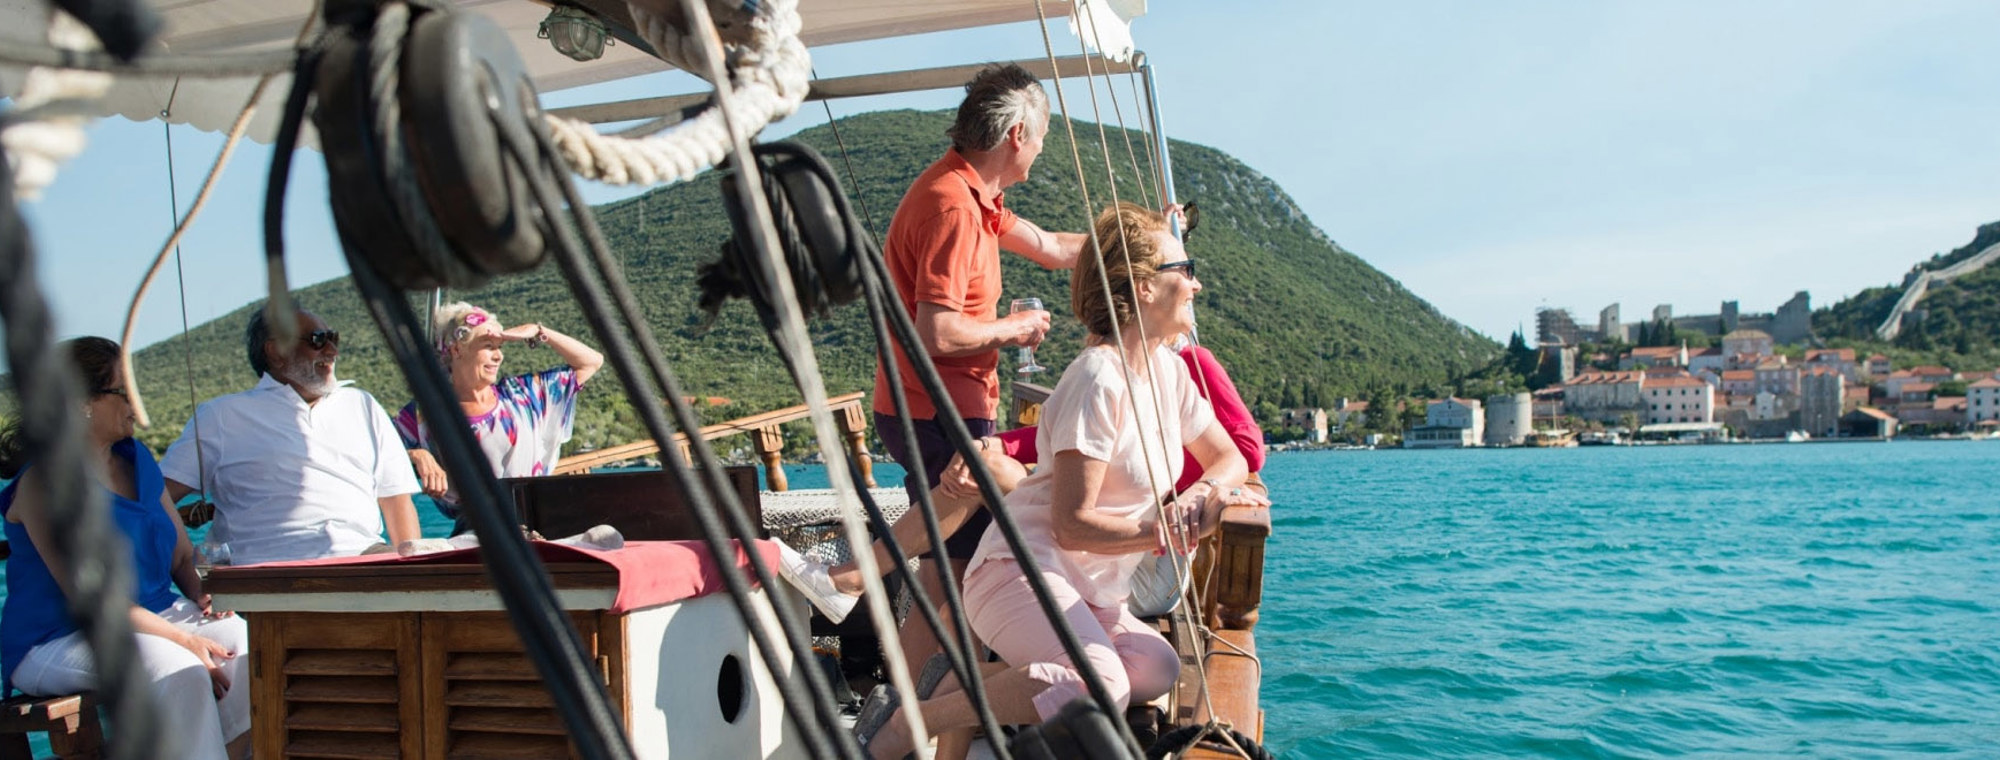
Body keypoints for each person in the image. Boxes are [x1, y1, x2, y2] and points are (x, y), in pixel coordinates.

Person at [855, 203, 1270, 759]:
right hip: (1019, 571)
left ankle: (959, 683)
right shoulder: (1097, 378)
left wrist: (1198, 496)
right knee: (1102, 685)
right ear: (1144, 287)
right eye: (1185, 269)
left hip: (1089, 587)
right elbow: (1071, 526)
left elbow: (1232, 457)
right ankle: (909, 720)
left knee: (1157, 667)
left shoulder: (1169, 372)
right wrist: (1165, 530)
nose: (1196, 283)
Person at [0, 337, 250, 760]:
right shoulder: (45, 484)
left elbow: (181, 556)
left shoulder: (138, 460)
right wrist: (183, 638)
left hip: (154, 614)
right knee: (180, 671)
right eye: (125, 391)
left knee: (243, 646)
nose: (138, 403)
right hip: (58, 635)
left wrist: (203, 596)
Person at [160, 307, 422, 565]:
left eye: (334, 338)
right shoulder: (221, 415)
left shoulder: (363, 405)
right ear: (276, 352)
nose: (333, 351)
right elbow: (158, 497)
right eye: (318, 340)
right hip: (262, 566)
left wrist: (414, 571)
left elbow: (396, 499)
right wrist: (188, 568)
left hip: (362, 556)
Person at [392, 302, 603, 530]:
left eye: (500, 346)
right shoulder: (424, 414)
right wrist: (417, 455)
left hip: (537, 522)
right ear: (456, 350)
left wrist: (538, 331)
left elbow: (591, 362)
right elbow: (378, 451)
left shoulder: (522, 395)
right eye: (488, 346)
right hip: (477, 533)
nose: (498, 356)